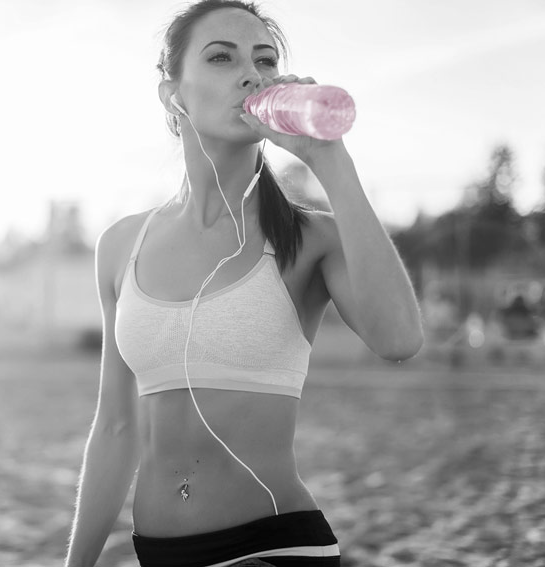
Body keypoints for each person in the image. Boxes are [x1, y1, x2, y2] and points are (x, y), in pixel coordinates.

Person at [64, 2, 423, 566]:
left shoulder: (308, 238)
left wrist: (331, 160)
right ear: (172, 92)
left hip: (273, 547)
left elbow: (400, 339)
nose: (250, 73)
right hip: (158, 551)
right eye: (220, 57)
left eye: (264, 60)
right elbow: (114, 427)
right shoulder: (121, 245)